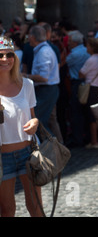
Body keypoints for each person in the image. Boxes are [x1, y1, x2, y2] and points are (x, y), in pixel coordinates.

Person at [0, 36, 42, 217]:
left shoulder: (27, 84)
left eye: (9, 55)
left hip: (28, 153)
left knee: (35, 206)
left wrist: (35, 123)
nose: (5, 59)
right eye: (0, 55)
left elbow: (33, 117)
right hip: (2, 158)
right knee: (7, 210)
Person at [25, 25, 60, 135]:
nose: (27, 38)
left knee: (39, 122)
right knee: (46, 121)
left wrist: (25, 75)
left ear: (33, 37)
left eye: (29, 35)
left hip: (46, 91)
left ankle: (53, 149)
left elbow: (44, 77)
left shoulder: (43, 52)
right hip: (47, 90)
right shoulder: (43, 50)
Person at [79, 37, 98, 149]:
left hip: (92, 88)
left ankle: (94, 141)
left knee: (92, 117)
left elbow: (81, 73)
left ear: (91, 47)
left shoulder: (90, 60)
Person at [64, 30, 90, 147]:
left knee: (76, 112)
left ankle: (78, 138)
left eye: (69, 41)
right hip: (86, 82)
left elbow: (63, 63)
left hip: (77, 83)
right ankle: (86, 136)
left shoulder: (73, 54)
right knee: (85, 112)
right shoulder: (86, 50)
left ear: (74, 42)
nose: (68, 43)